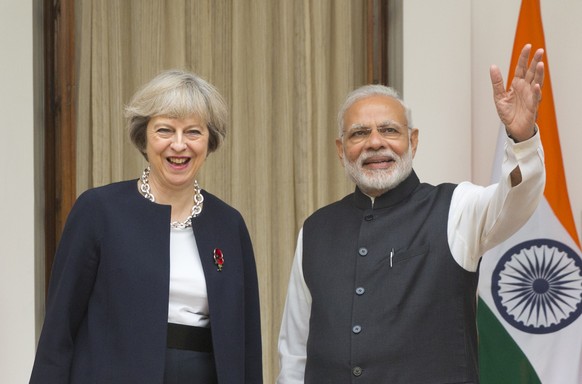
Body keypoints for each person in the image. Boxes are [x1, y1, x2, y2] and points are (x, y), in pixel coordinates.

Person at [277, 44, 546, 384]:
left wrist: (520, 139)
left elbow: (516, 200)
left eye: (389, 130)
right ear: (340, 149)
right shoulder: (316, 229)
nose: (375, 143)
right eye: (359, 133)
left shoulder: (457, 207)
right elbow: (295, 351)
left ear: (413, 141)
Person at [30, 70, 263, 384]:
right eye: (165, 130)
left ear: (209, 142)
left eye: (193, 132)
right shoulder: (99, 211)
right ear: (144, 136)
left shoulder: (228, 224)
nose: (178, 145)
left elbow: (246, 342)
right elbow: (59, 329)